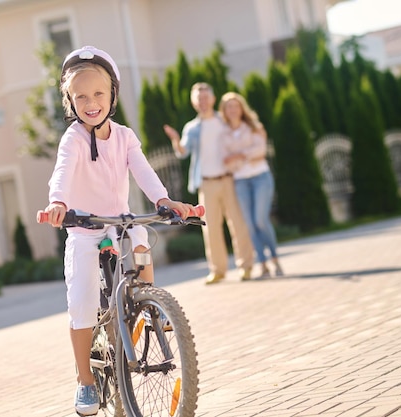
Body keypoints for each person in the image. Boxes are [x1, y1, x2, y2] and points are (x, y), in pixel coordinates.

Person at [41, 46, 194, 416]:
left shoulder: (124, 136)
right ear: (70, 100)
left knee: (141, 242)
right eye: (81, 96)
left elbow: (143, 172)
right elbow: (62, 172)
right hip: (84, 226)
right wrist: (58, 202)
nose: (90, 102)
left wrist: (165, 201)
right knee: (82, 304)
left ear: (112, 96)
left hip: (122, 221)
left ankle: (150, 308)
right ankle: (85, 382)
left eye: (98, 93)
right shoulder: (74, 139)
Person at [163, 82, 254, 285]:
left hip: (229, 179)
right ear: (194, 103)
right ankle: (217, 270)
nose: (203, 102)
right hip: (207, 183)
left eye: (206, 97)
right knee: (210, 228)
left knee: (238, 224)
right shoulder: (192, 127)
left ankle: (246, 266)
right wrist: (176, 141)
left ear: (213, 99)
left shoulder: (224, 121)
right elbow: (183, 152)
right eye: (199, 99)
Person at [219, 92, 283, 277]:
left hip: (260, 177)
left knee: (260, 220)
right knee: (249, 224)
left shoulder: (254, 126)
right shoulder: (224, 134)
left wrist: (238, 155)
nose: (232, 110)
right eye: (228, 107)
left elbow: (260, 151)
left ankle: (275, 259)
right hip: (240, 181)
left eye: (235, 106)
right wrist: (246, 155)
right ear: (224, 111)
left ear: (241, 108)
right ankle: (262, 264)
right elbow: (226, 161)